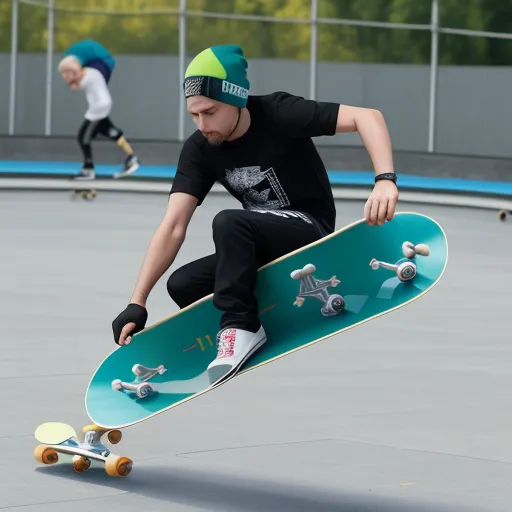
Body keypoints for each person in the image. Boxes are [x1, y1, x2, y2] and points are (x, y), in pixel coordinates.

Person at [111, 44, 399, 384]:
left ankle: (241, 326)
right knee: (183, 284)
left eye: (210, 112)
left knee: (229, 221)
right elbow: (173, 225)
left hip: (310, 230)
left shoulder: (279, 112)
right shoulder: (199, 149)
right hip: (261, 243)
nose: (202, 124)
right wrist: (137, 301)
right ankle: (246, 325)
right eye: (194, 115)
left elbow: (368, 117)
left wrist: (384, 181)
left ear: (237, 99)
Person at [58, 39, 140, 180]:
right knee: (112, 133)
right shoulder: (93, 72)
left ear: (73, 70)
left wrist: (71, 79)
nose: (65, 77)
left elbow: (78, 83)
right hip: (102, 105)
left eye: (66, 73)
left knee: (83, 136)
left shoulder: (88, 74)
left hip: (98, 109)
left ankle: (88, 169)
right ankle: (132, 158)